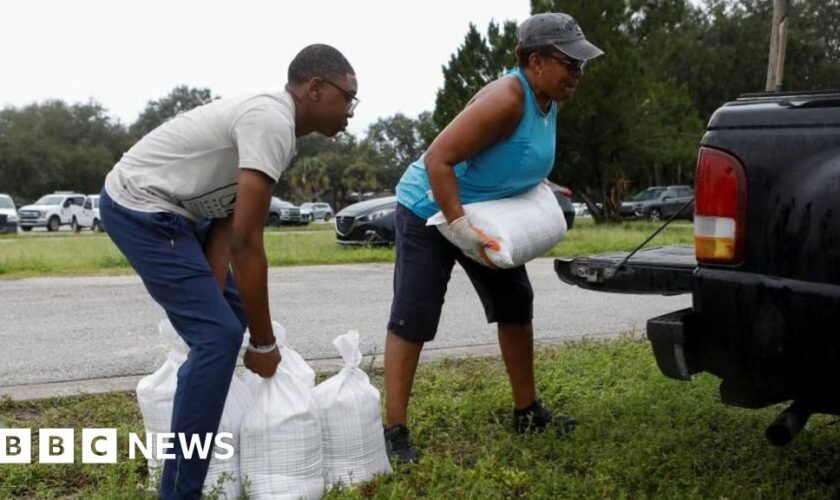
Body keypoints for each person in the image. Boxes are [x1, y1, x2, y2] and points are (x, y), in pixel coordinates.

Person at [99, 44, 358, 499]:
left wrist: (219, 301)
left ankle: (194, 386)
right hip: (140, 206)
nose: (351, 111)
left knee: (223, 320)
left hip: (180, 213)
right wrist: (263, 343)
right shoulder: (271, 119)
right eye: (348, 97)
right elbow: (247, 243)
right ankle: (179, 492)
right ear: (315, 88)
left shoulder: (280, 131)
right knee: (219, 336)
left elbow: (224, 226)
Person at [382, 12, 603, 463]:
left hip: (485, 213)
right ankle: (394, 430)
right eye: (570, 64)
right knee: (415, 316)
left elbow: (512, 157)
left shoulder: (550, 100)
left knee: (515, 303)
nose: (578, 74)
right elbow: (438, 158)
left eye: (582, 65)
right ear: (536, 62)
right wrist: (459, 229)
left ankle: (527, 412)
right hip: (429, 210)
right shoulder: (508, 97)